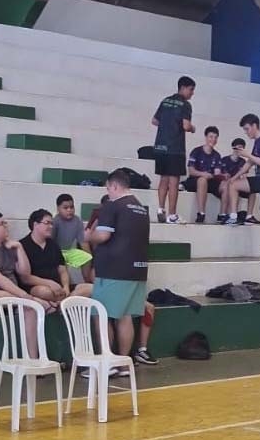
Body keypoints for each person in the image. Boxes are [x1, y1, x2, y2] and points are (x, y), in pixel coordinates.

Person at [88, 169, 151, 371]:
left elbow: (103, 236)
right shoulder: (141, 208)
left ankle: (108, 363)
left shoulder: (112, 205)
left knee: (101, 314)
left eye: (108, 188)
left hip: (114, 270)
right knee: (125, 316)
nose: (108, 193)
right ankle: (123, 364)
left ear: (114, 186)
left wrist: (88, 236)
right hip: (138, 269)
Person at [0, 211, 50, 356]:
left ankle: (33, 360)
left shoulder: (8, 247)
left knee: (29, 309)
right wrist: (25, 296)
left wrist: (19, 248)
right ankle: (31, 301)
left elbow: (25, 273)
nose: (7, 226)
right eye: (2, 224)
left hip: (12, 299)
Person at [225, 114, 260, 260]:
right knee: (233, 185)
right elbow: (249, 163)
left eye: (247, 129)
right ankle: (234, 217)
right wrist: (235, 177)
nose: (246, 132)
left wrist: (247, 154)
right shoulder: (257, 142)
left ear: (254, 126)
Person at [19, 208, 92, 304]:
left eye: (51, 224)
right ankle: (66, 303)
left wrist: (66, 287)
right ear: (35, 224)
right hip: (38, 287)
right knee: (44, 292)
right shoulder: (22, 245)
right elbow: (25, 278)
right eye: (47, 223)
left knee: (91, 288)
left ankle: (63, 303)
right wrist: (49, 283)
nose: (51, 226)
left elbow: (62, 270)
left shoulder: (53, 245)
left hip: (59, 287)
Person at [152, 75, 195, 224]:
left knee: (163, 178)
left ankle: (160, 209)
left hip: (160, 146)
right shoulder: (185, 105)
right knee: (174, 182)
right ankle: (172, 215)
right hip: (175, 148)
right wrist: (192, 128)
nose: (192, 93)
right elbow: (186, 125)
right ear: (183, 87)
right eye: (191, 89)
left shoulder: (165, 101)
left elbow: (154, 121)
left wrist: (167, 124)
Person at [182, 126, 222, 224]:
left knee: (225, 185)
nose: (213, 139)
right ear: (206, 137)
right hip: (194, 180)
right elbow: (191, 171)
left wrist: (219, 175)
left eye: (215, 137)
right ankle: (201, 213)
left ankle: (223, 215)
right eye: (211, 137)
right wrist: (203, 174)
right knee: (202, 180)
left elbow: (217, 173)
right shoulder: (196, 151)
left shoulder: (217, 155)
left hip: (210, 181)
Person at [53, 193, 93, 282]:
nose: (69, 210)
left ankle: (87, 281)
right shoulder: (55, 221)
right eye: (65, 208)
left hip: (69, 252)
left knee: (87, 257)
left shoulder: (77, 220)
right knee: (65, 274)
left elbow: (83, 242)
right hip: (56, 252)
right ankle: (67, 284)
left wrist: (90, 255)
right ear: (58, 209)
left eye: (72, 207)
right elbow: (50, 242)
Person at [218, 137, 258, 224]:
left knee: (253, 189)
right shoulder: (224, 160)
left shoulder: (242, 161)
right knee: (227, 185)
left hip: (236, 185)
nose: (239, 150)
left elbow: (244, 175)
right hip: (225, 184)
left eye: (241, 148)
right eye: (237, 148)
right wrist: (224, 176)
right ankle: (222, 214)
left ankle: (249, 216)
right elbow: (218, 175)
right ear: (233, 148)